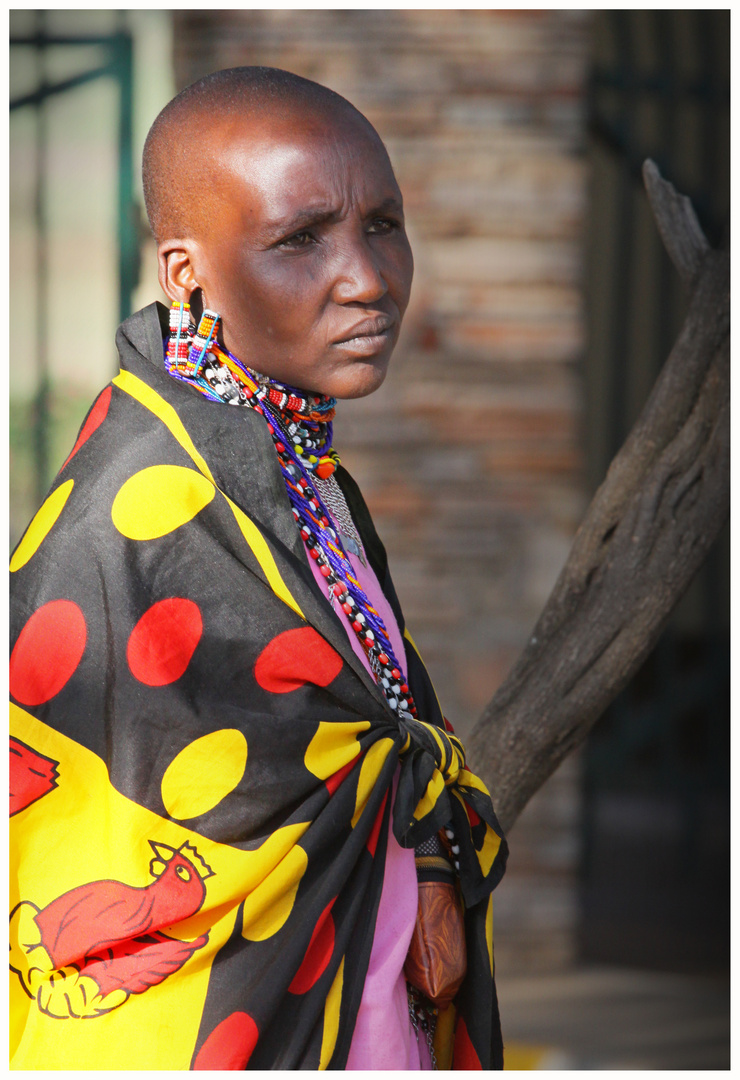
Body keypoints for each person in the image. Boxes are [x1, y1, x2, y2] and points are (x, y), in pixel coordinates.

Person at [9, 67, 508, 1070]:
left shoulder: (294, 470)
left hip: (366, 1005)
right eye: (301, 239)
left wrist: (431, 878)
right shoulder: (137, 514)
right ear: (185, 274)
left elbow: (367, 740)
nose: (367, 277)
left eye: (383, 224)